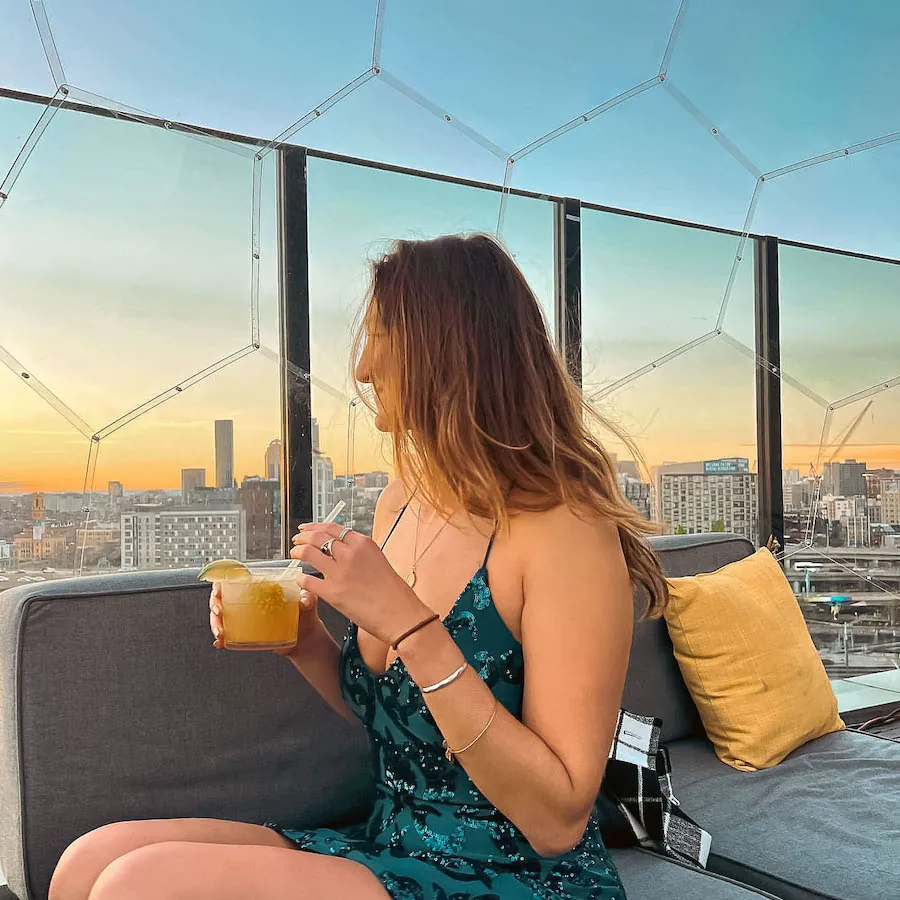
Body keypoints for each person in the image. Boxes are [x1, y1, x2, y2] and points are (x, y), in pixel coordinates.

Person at [49, 233, 668, 900]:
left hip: (517, 873)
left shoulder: (566, 530)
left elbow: (558, 818)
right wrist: (306, 644)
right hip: (391, 842)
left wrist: (410, 625)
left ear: (446, 352)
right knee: (91, 860)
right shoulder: (402, 501)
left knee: (139, 885)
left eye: (380, 338)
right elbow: (397, 716)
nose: (364, 369)